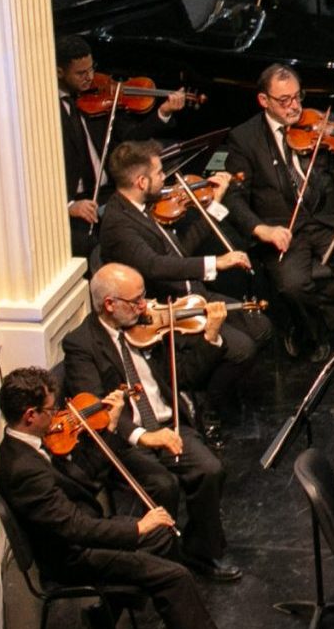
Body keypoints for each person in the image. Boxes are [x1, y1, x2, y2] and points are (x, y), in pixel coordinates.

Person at [0, 367, 255, 629]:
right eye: (50, 409)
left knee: (161, 536)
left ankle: (104, 620)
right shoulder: (23, 470)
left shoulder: (34, 444)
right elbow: (73, 526)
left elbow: (86, 478)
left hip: (81, 536)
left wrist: (111, 426)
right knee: (172, 575)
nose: (59, 415)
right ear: (30, 416)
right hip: (70, 557)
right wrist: (135, 526)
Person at [60, 263, 240, 583]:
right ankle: (164, 565)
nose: (146, 307)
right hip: (126, 439)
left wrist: (210, 337)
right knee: (163, 484)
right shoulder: (80, 345)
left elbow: (185, 376)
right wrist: (144, 436)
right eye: (136, 301)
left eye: (144, 297)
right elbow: (97, 411)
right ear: (110, 305)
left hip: (168, 422)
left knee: (210, 469)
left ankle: (202, 550)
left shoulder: (148, 329)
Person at [91, 141, 262, 433]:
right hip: (167, 309)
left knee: (260, 327)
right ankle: (206, 405)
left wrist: (215, 206)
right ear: (141, 181)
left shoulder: (143, 207)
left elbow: (178, 250)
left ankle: (218, 387)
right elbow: (155, 265)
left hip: (191, 292)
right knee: (242, 348)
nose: (165, 180)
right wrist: (215, 262)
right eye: (159, 174)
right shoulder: (119, 223)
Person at [219, 61, 334, 356]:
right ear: (264, 100)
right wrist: (263, 229)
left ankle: (310, 327)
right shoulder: (244, 139)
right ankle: (309, 324)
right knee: (293, 286)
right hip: (283, 229)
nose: (295, 106)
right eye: (284, 100)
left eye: (298, 96)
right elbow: (234, 198)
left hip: (326, 220)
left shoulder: (321, 123)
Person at [55, 34, 188, 257]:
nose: (90, 78)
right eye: (81, 73)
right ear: (60, 72)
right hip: (76, 203)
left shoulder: (100, 98)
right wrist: (68, 206)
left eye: (91, 69)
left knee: (165, 230)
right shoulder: (47, 112)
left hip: (111, 192)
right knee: (101, 247)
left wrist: (163, 112)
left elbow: (131, 138)